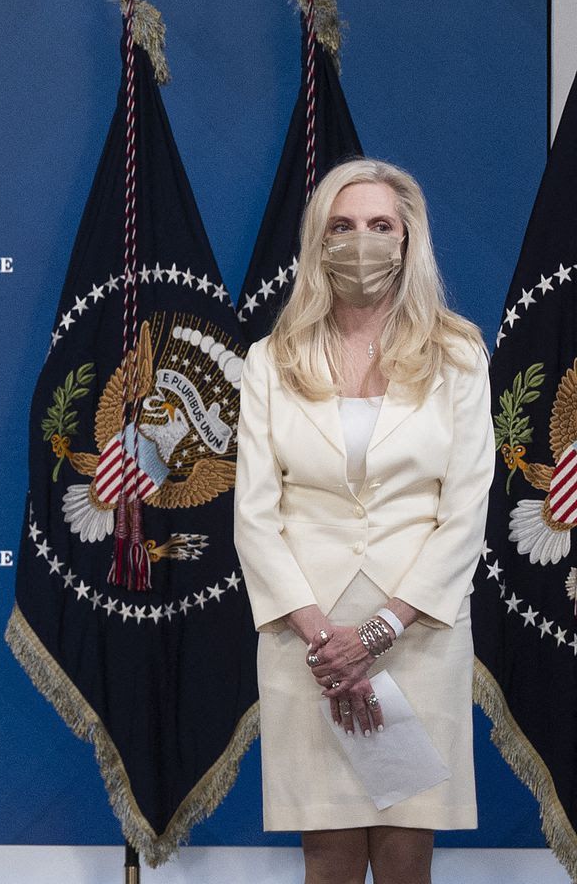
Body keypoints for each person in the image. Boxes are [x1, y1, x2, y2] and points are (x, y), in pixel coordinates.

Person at [234, 158, 491, 884]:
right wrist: (328, 643)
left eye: (381, 226)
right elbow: (255, 515)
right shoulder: (269, 362)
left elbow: (465, 510)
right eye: (343, 227)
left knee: (407, 857)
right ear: (319, 243)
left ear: (408, 241)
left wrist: (378, 633)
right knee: (329, 859)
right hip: (306, 644)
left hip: (417, 634)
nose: (363, 241)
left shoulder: (458, 356)